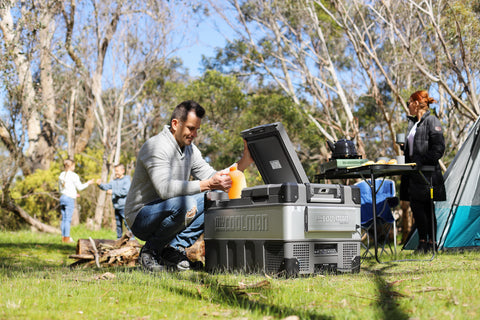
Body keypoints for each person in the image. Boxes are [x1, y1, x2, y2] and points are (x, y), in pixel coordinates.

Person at [125, 100, 253, 272]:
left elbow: (213, 177)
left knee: (214, 196)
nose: (194, 134)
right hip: (142, 216)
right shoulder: (156, 146)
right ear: (175, 124)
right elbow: (165, 189)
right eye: (191, 128)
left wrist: (245, 161)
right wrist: (208, 184)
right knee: (189, 203)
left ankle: (173, 250)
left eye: (196, 130)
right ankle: (150, 251)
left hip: (171, 210)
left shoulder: (190, 150)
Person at [399, 90, 446, 253]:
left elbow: (439, 148)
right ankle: (422, 242)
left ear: (417, 103)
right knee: (416, 208)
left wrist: (421, 160)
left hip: (427, 174)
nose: (408, 106)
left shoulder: (432, 120)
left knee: (427, 208)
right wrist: (406, 149)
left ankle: (431, 244)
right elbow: (417, 146)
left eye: (409, 102)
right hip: (413, 173)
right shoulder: (413, 124)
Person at [58, 159, 95, 243]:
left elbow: (62, 189)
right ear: (71, 166)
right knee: (68, 219)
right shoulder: (74, 175)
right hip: (69, 199)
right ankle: (67, 238)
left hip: (63, 197)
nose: (74, 167)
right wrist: (88, 183)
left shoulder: (61, 174)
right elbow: (80, 187)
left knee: (64, 219)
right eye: (74, 166)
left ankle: (63, 237)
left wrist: (73, 194)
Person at [96, 164, 132, 240]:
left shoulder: (126, 180)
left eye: (117, 171)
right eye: (115, 171)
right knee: (118, 224)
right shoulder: (114, 181)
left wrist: (113, 192)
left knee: (127, 223)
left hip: (124, 206)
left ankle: (132, 238)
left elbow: (125, 191)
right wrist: (100, 185)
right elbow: (106, 187)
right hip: (116, 206)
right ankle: (119, 238)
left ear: (123, 171)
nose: (116, 173)